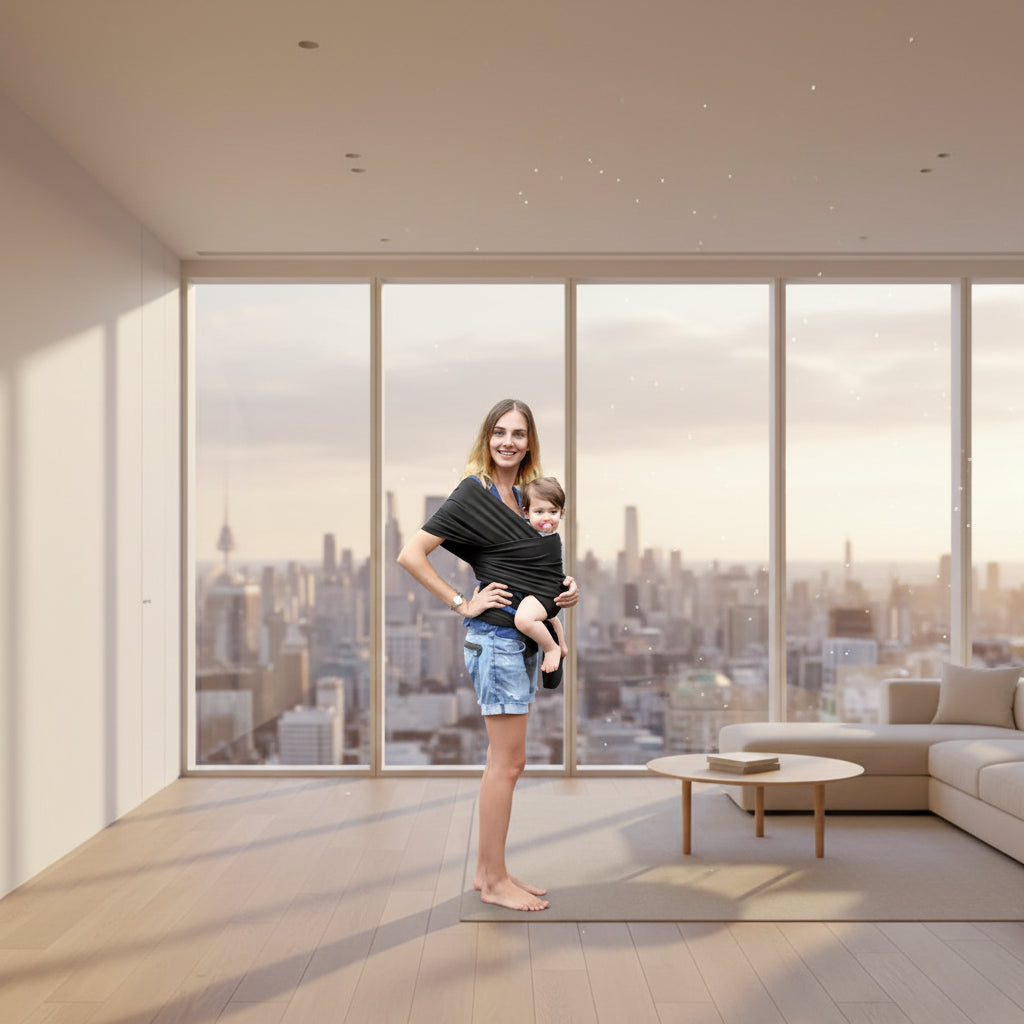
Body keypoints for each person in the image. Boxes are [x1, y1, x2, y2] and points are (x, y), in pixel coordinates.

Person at [396, 399, 578, 912]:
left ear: (529, 441)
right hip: (496, 641)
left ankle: (488, 869)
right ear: (486, 437)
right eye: (499, 432)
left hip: (519, 639)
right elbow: (410, 554)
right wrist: (462, 602)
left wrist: (565, 589)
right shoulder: (472, 493)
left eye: (518, 434)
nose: (508, 442)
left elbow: (535, 564)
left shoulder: (527, 497)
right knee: (508, 763)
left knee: (505, 762)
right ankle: (494, 882)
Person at [514, 476, 569, 685]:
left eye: (553, 512)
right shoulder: (535, 534)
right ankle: (561, 644)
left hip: (545, 591)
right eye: (539, 512)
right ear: (526, 513)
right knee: (551, 618)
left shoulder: (546, 539)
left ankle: (551, 648)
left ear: (562, 513)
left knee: (524, 620)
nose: (547, 518)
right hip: (545, 589)